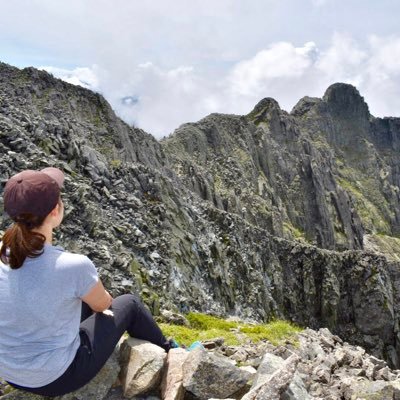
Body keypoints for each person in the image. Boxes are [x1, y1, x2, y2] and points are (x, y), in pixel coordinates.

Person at [0, 167, 174, 397]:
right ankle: (172, 353)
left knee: (77, 298)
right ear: (55, 210)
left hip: (10, 371)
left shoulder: (3, 252)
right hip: (57, 378)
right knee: (130, 304)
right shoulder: (73, 265)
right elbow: (103, 305)